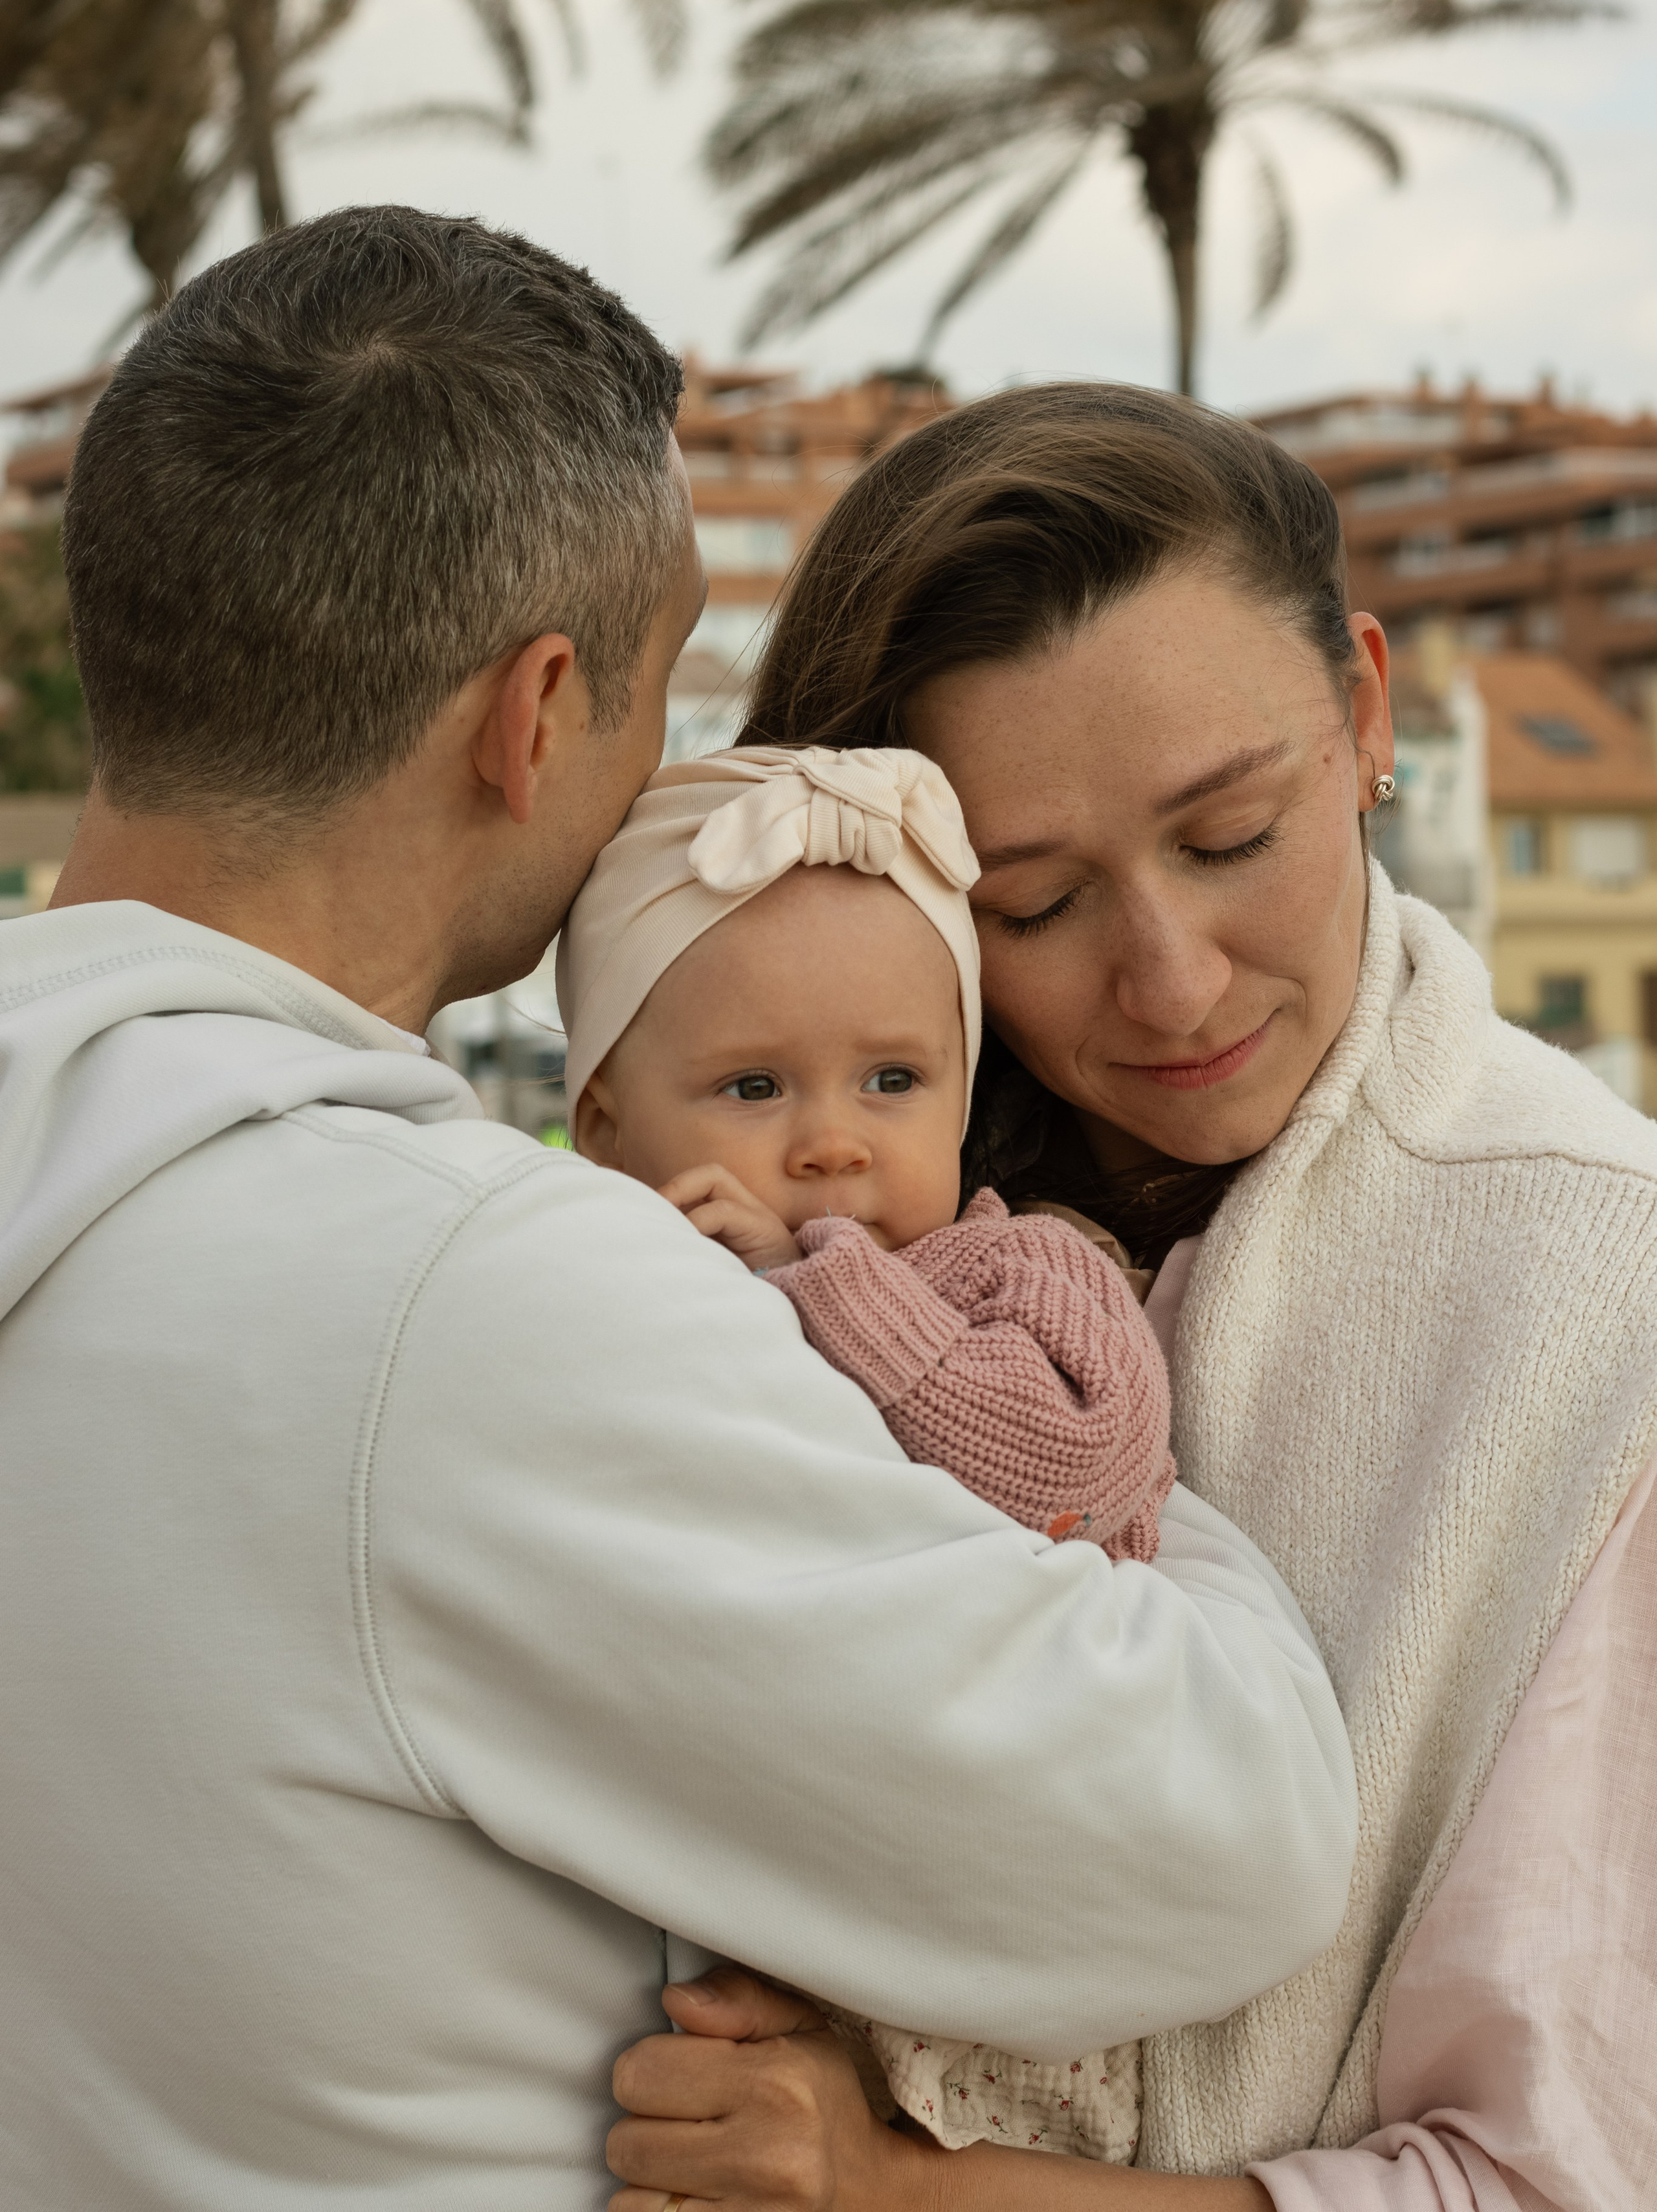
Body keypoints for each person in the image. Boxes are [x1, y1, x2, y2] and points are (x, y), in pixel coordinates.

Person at [0, 217, 1355, 2212]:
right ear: (535, 715)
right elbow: (1225, 1838)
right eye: (655, 703)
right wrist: (1017, 1390)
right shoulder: (466, 1305)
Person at [605, 384, 1657, 2212]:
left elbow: (1549, 2185)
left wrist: (896, 2185)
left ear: (1366, 716)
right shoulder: (761, 1246)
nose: (1169, 983)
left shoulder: (1607, 1306)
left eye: (1232, 835)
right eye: (1033, 905)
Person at [560, 736, 1183, 2165]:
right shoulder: (613, 1310)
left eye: (891, 1079)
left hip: (1013, 1987)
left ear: (963, 1098)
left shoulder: (1016, 1274)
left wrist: (819, 1285)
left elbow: (1064, 1467)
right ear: (603, 1126)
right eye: (754, 1089)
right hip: (762, 1952)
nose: (833, 1144)